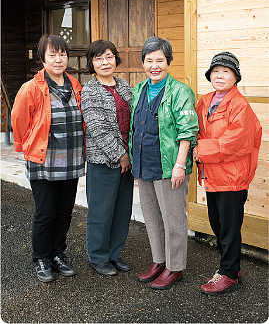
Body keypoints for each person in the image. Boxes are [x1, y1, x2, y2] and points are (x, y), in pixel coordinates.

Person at [11, 34, 85, 282]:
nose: (58, 59)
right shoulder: (31, 88)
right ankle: (41, 257)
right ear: (42, 58)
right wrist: (24, 148)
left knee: (65, 212)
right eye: (52, 54)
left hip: (72, 159)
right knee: (46, 212)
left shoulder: (75, 84)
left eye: (62, 54)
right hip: (43, 160)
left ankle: (57, 254)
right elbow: (19, 120)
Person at [129, 36, 199, 290]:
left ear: (168, 61)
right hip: (143, 163)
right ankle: (159, 260)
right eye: (149, 61)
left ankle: (175, 266)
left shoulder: (180, 91)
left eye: (160, 60)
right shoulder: (138, 90)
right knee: (151, 217)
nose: (154, 66)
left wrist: (180, 165)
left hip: (170, 167)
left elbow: (188, 132)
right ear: (143, 63)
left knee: (173, 219)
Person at [193, 52, 262, 295]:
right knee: (218, 224)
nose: (219, 76)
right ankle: (231, 267)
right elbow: (196, 130)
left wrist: (199, 150)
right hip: (213, 176)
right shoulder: (205, 100)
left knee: (230, 228)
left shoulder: (239, 105)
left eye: (226, 72)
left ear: (235, 77)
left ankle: (229, 274)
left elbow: (235, 142)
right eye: (216, 71)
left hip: (232, 178)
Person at [81, 40, 134, 276]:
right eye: (99, 58)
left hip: (128, 160)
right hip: (103, 161)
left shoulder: (124, 86)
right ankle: (98, 256)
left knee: (122, 210)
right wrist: (120, 155)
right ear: (92, 63)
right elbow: (96, 127)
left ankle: (114, 253)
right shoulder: (90, 90)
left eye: (109, 56)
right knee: (100, 211)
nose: (105, 62)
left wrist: (130, 155)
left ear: (116, 59)